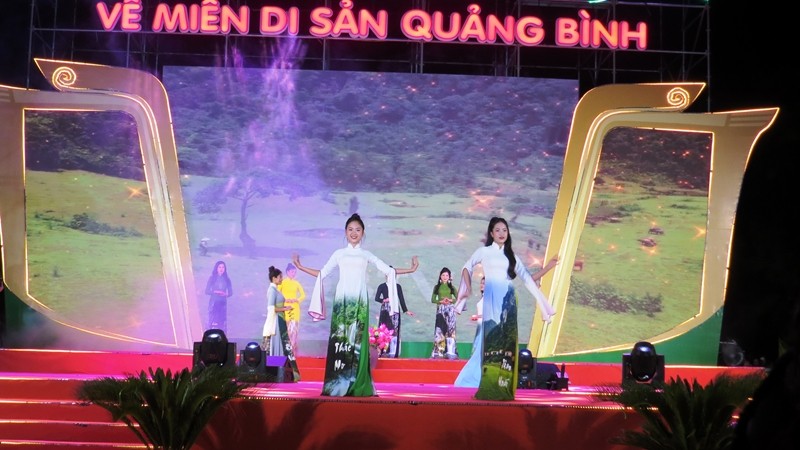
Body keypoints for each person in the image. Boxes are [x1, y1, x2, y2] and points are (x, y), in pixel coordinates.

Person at [292, 213, 419, 397]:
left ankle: (358, 382)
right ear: (345, 232)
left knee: (357, 342)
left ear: (363, 233)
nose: (354, 233)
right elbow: (322, 273)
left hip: (359, 304)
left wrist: (411, 269)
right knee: (341, 342)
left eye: (357, 230)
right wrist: (301, 267)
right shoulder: (339, 254)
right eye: (350, 229)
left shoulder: (366, 255)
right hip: (342, 303)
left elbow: (388, 271)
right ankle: (337, 384)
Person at [453, 217, 558, 400]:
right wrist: (467, 288)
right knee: (491, 344)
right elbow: (466, 267)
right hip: (491, 300)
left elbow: (526, 278)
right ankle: (488, 386)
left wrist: (543, 303)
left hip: (508, 301)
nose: (502, 233)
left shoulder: (511, 256)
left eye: (505, 230)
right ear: (491, 233)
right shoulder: (484, 251)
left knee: (507, 346)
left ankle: (504, 387)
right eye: (498, 230)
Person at [262, 265, 301, 381]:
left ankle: (287, 373)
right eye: (280, 277)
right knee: (281, 345)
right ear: (274, 278)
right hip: (277, 321)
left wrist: (285, 308)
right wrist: (285, 309)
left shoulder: (275, 290)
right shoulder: (272, 291)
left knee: (285, 345)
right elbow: (271, 308)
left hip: (281, 319)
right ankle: (278, 373)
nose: (281, 279)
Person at [374, 271, 414, 358]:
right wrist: (384, 300)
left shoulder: (398, 286)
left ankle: (393, 352)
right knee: (384, 331)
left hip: (395, 310)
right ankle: (382, 351)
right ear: (386, 275)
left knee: (394, 331)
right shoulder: (382, 286)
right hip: (385, 310)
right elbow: (376, 298)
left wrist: (406, 310)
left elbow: (401, 299)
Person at [430, 267, 459, 359]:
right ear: (440, 276)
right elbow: (433, 299)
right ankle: (438, 352)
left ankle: (450, 351)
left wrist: (450, 300)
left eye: (447, 275)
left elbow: (458, 299)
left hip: (450, 310)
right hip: (440, 309)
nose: (445, 277)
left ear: (449, 277)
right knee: (440, 330)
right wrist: (441, 301)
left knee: (450, 330)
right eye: (443, 275)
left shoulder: (452, 287)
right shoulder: (437, 287)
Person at [278, 262, 306, 356]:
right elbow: (278, 293)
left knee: (294, 329)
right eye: (292, 272)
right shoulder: (282, 282)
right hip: (286, 307)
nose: (293, 274)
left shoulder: (296, 283)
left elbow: (303, 295)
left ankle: (293, 348)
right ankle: (286, 348)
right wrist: (285, 299)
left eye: (294, 272)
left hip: (295, 307)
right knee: (287, 328)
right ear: (287, 272)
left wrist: (296, 300)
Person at [204, 261, 232, 333]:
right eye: (219, 267)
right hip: (214, 302)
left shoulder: (227, 279)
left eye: (223, 267)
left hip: (222, 303)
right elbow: (207, 291)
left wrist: (225, 294)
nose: (221, 269)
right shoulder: (212, 278)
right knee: (212, 320)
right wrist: (215, 292)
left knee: (221, 322)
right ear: (216, 268)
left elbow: (230, 292)